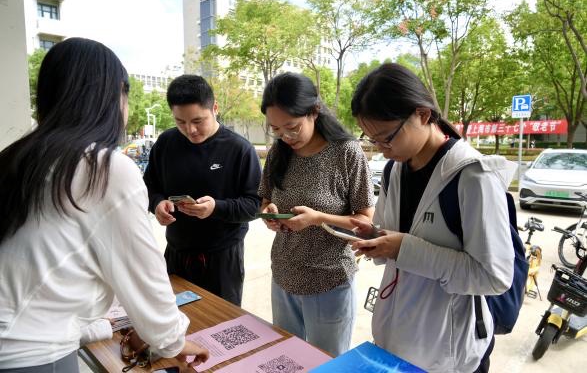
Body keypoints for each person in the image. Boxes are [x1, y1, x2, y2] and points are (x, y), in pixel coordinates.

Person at [0, 38, 208, 372]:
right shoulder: (102, 167)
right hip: (31, 353)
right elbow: (143, 271)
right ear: (114, 97)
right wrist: (173, 340)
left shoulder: (19, 157)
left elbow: (46, 267)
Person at [348, 63, 516, 372]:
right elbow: (393, 239)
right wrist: (374, 237)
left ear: (423, 115)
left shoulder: (472, 177)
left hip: (448, 352)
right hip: (396, 338)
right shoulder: (394, 170)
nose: (383, 151)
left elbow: (494, 277)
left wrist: (403, 248)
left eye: (387, 138)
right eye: (373, 140)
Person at [258, 72, 375, 356]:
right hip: (284, 274)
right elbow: (264, 199)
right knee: (287, 359)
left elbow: (365, 222)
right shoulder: (279, 153)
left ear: (314, 112)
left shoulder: (346, 152)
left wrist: (318, 218)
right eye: (276, 129)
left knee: (327, 361)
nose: (285, 136)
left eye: (292, 127)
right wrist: (268, 212)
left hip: (329, 280)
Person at [143, 75, 261, 307]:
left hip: (222, 259)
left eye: (198, 120)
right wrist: (156, 204)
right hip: (176, 253)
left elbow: (255, 205)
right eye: (181, 122)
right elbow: (148, 187)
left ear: (214, 108)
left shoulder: (239, 149)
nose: (191, 130)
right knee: (175, 322)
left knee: (221, 324)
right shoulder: (166, 143)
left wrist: (216, 208)